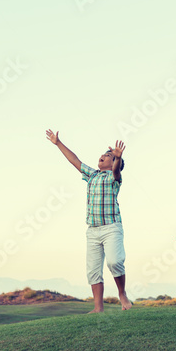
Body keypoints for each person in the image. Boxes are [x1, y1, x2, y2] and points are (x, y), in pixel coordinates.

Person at [45, 129, 133, 312]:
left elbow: (116, 171)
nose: (103, 155)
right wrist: (58, 143)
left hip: (111, 228)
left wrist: (118, 158)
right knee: (93, 270)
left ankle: (122, 293)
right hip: (92, 230)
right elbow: (74, 160)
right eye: (104, 154)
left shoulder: (114, 177)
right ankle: (97, 308)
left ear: (114, 162)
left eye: (108, 156)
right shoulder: (92, 175)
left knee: (115, 261)